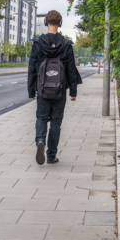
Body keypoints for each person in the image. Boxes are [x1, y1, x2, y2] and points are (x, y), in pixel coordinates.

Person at [28, 10, 81, 165]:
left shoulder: (37, 44)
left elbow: (32, 69)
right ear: (60, 23)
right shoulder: (66, 45)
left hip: (43, 89)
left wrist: (31, 90)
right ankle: (51, 156)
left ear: (46, 22)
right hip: (59, 91)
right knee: (56, 122)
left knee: (42, 118)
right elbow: (71, 70)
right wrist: (73, 91)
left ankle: (39, 141)